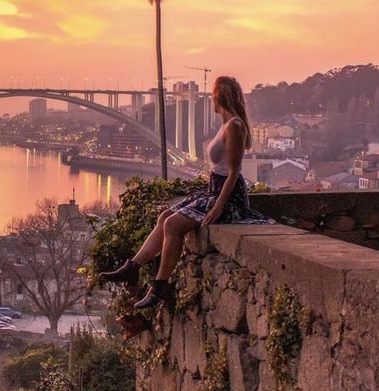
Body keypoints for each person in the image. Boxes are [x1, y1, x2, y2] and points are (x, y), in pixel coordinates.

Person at [99, 75, 270, 314]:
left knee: (173, 224)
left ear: (218, 97)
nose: (210, 100)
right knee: (165, 216)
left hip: (227, 196)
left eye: (212, 95)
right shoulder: (226, 124)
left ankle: (160, 286)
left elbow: (233, 173)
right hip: (214, 189)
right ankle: (133, 267)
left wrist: (219, 206)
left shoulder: (235, 126)